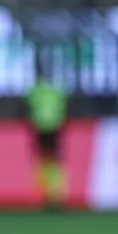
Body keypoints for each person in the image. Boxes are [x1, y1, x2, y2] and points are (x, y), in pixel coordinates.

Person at [26, 71, 69, 209]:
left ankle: (46, 195)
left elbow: (27, 104)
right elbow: (64, 108)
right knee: (54, 162)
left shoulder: (36, 90)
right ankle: (55, 196)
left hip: (41, 128)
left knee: (43, 162)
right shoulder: (58, 91)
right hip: (54, 128)